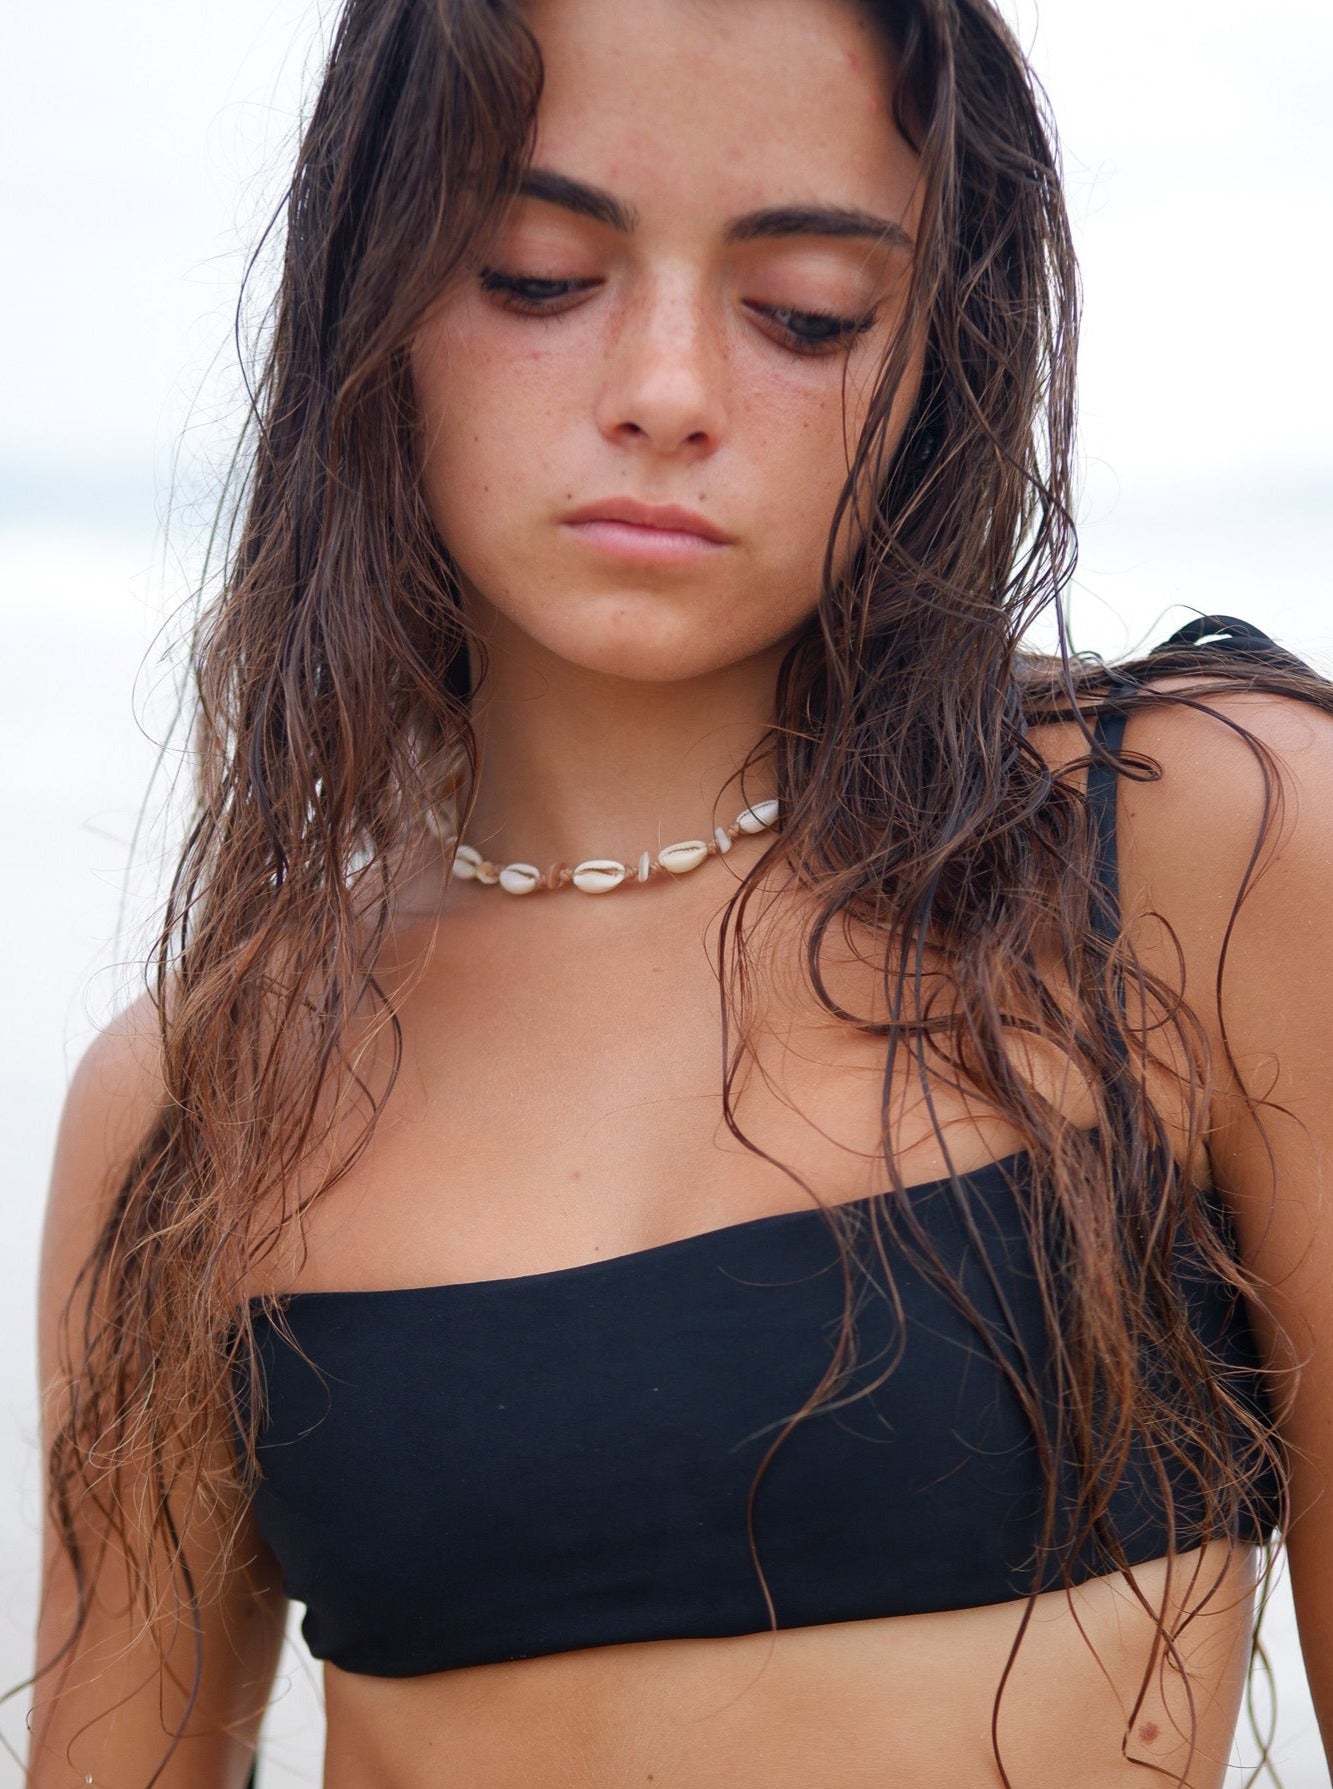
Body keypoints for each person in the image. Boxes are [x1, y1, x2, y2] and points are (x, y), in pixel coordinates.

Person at [22, 0, 1333, 1783]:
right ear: (372, 300)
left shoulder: (1196, 848)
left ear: (939, 348)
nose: (665, 391)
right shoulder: (201, 1094)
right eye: (536, 275)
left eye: (804, 313)